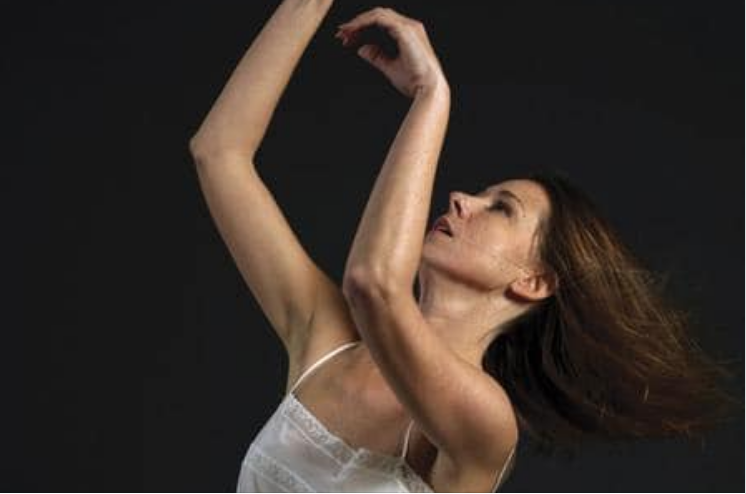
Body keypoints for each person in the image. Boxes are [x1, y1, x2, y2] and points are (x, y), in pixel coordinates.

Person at [189, 1, 741, 492]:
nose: (460, 199)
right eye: (482, 194)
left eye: (501, 208)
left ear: (533, 281)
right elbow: (218, 152)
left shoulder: (485, 422)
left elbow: (374, 284)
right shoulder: (326, 344)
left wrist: (431, 96)